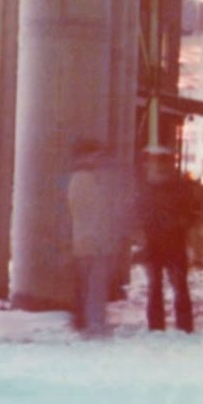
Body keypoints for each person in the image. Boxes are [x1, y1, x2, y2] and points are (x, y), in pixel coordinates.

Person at [67, 140, 125, 335]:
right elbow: (97, 213)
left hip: (85, 240)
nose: (98, 159)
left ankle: (83, 322)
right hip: (93, 241)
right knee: (93, 285)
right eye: (95, 155)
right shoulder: (86, 179)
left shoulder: (79, 178)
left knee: (85, 284)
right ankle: (90, 322)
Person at [139, 146, 197, 332]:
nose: (159, 166)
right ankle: (183, 326)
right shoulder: (177, 186)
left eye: (162, 162)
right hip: (168, 242)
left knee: (160, 287)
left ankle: (159, 326)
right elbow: (192, 212)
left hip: (161, 243)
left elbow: (191, 212)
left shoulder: (146, 187)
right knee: (174, 286)